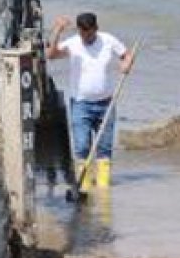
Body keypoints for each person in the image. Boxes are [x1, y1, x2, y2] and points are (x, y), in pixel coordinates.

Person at [46, 12, 134, 189]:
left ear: (96, 28)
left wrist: (126, 64)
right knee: (82, 146)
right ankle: (84, 186)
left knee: (104, 148)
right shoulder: (73, 43)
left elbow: (126, 54)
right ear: (78, 30)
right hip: (81, 104)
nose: (86, 37)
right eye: (82, 33)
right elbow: (51, 54)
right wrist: (57, 30)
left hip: (106, 103)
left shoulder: (108, 40)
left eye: (89, 33)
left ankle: (103, 188)